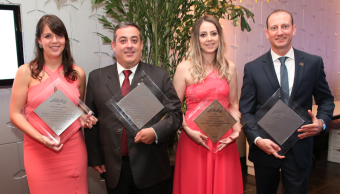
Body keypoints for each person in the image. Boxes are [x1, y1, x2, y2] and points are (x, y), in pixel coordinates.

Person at [239, 9, 335, 194]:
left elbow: (326, 99)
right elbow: (246, 110)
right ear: (267, 33)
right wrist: (257, 140)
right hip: (265, 149)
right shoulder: (253, 68)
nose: (280, 32)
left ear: (294, 29)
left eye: (285, 26)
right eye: (274, 28)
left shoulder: (313, 63)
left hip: (300, 145)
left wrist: (321, 123)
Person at [84, 21, 183, 194]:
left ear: (141, 45)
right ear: (114, 46)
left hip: (151, 168)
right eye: (123, 41)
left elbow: (176, 114)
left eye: (134, 40)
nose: (129, 45)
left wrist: (155, 132)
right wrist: (95, 158)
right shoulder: (96, 78)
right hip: (114, 168)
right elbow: (92, 121)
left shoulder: (159, 75)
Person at [9, 15, 95, 194]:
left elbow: (78, 110)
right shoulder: (26, 72)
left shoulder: (78, 73)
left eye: (59, 35)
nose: (54, 41)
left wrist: (84, 120)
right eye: (48, 36)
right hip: (38, 149)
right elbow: (15, 113)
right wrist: (40, 138)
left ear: (65, 40)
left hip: (72, 150)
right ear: (39, 40)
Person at [172, 15, 243, 194]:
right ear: (197, 39)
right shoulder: (184, 68)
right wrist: (187, 130)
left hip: (223, 140)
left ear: (220, 36)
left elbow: (233, 103)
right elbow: (174, 107)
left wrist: (237, 129)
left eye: (213, 33)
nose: (209, 39)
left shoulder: (230, 67)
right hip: (194, 139)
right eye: (203, 35)